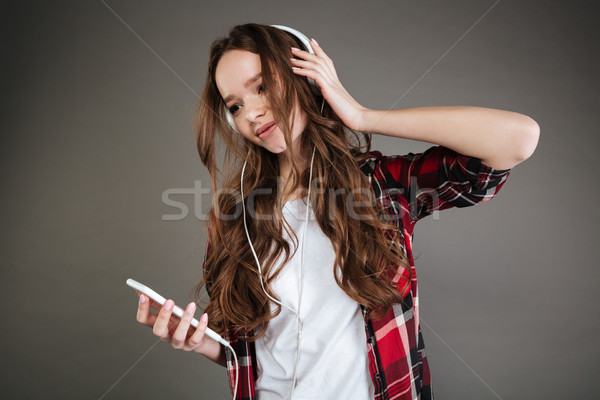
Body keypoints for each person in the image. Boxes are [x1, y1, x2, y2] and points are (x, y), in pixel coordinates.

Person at [134, 23, 539, 400]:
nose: (252, 112)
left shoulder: (378, 186)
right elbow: (250, 348)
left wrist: (361, 115)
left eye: (261, 87)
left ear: (306, 76)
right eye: (235, 106)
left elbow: (518, 139)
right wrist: (202, 342)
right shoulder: (235, 218)